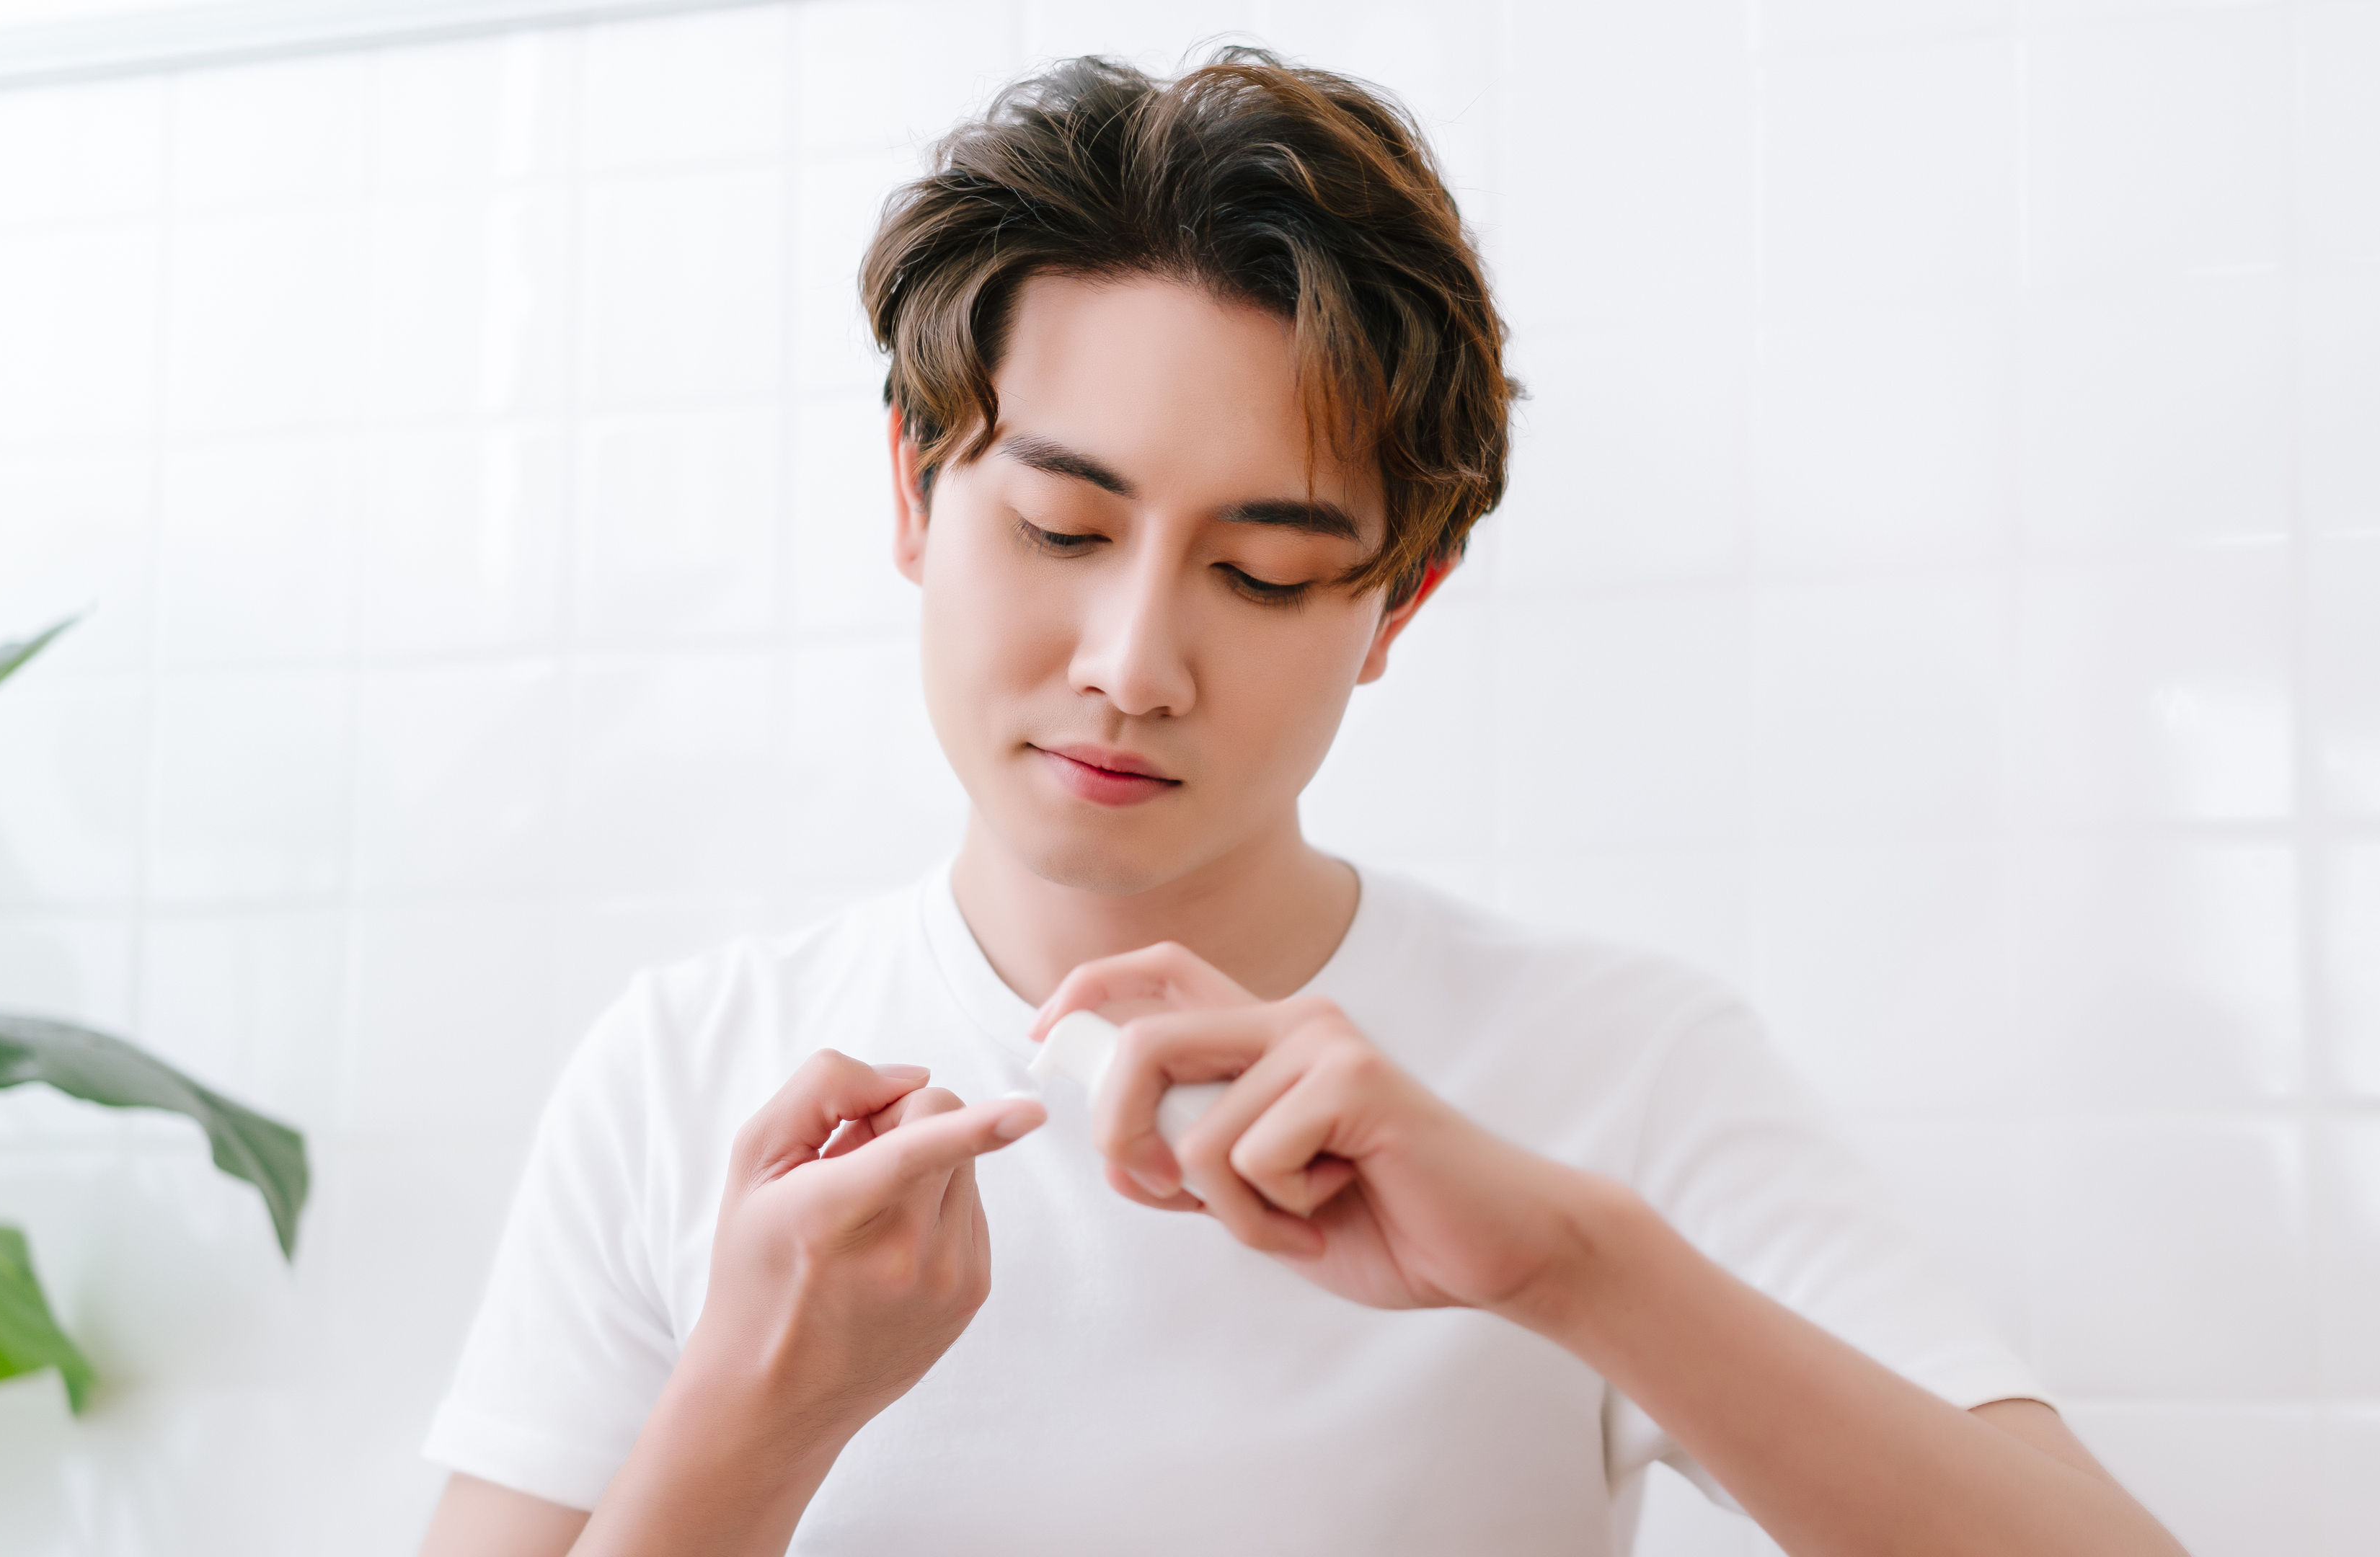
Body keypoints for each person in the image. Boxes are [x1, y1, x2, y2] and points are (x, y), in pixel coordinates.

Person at [414, 49, 2187, 1557]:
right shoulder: (683, 1074)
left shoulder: (1608, 1069)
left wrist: (1574, 1264)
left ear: (1394, 607)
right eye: (1061, 530)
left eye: (1263, 572)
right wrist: (753, 1414)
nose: (1133, 660)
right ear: (915, 488)